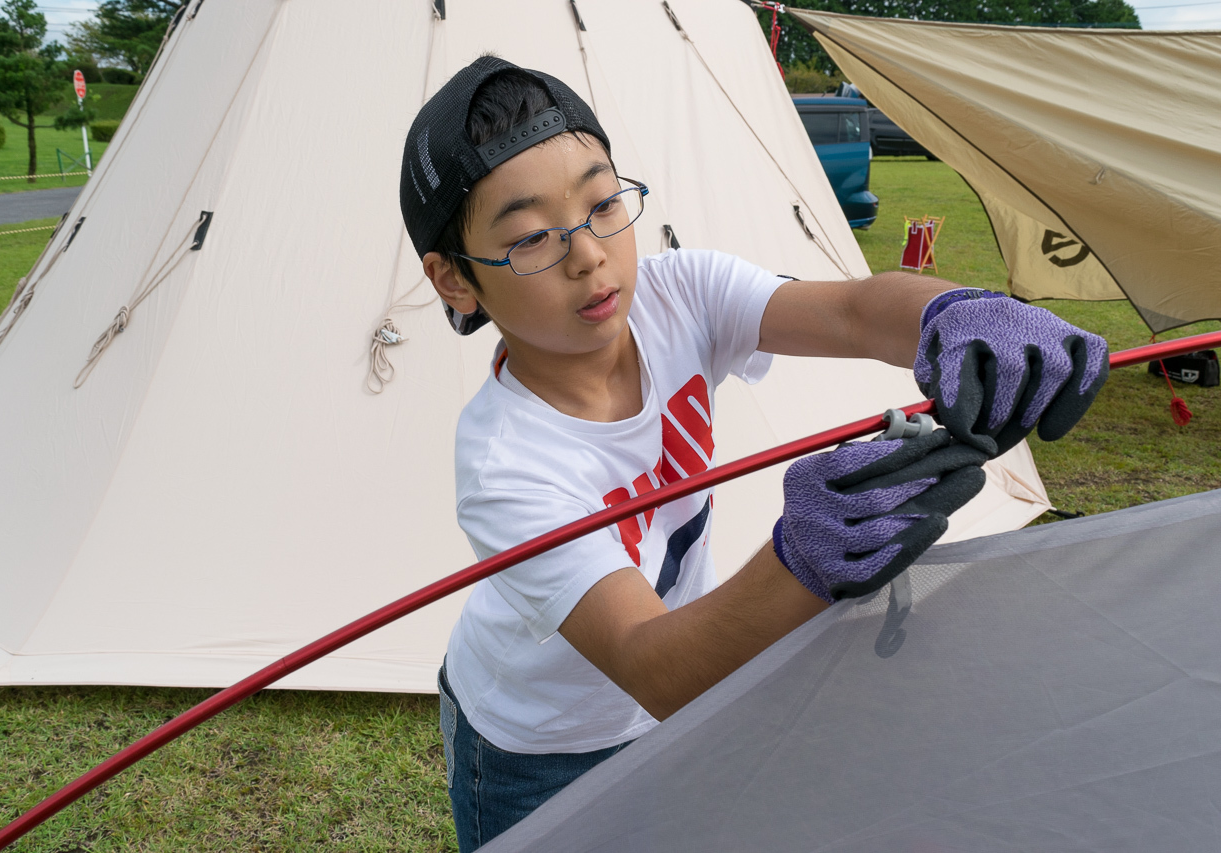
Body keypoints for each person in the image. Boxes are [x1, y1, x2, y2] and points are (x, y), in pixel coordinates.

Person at [398, 56, 1108, 851]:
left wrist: (955, 313)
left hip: (684, 694)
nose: (589, 255)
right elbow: (652, 665)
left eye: (603, 203)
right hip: (536, 743)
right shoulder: (507, 463)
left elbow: (849, 312)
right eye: (530, 238)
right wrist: (805, 554)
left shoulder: (679, 294)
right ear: (456, 282)